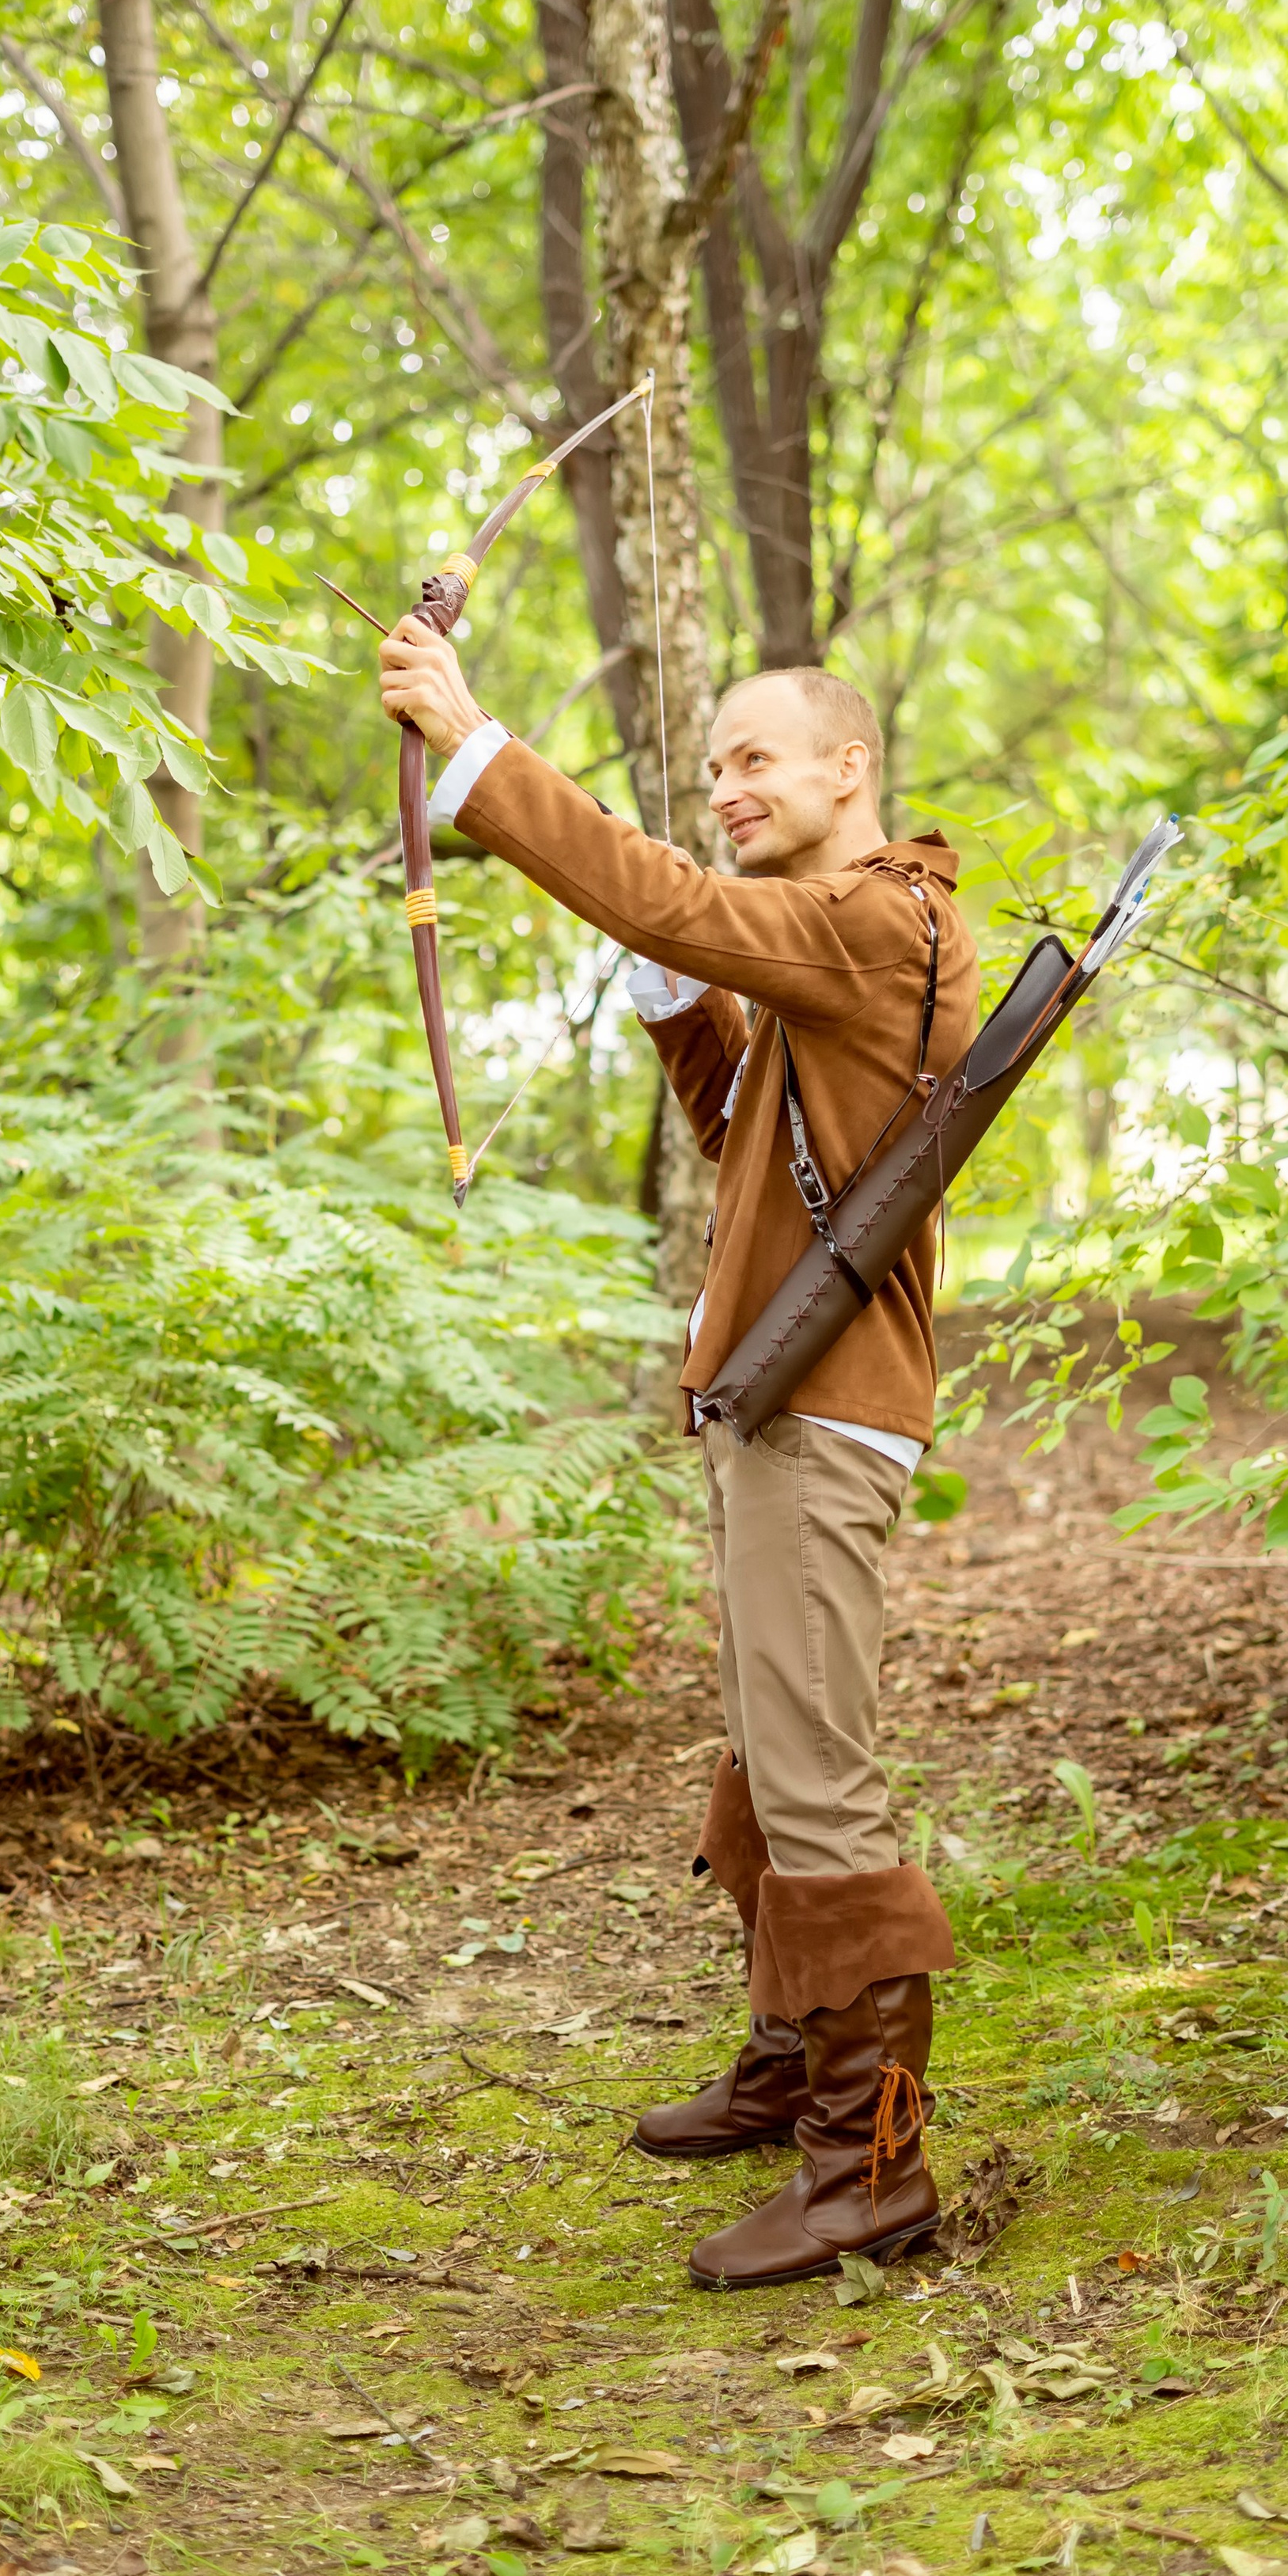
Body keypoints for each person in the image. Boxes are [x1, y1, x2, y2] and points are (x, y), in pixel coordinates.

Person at [378, 620, 979, 2287]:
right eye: (713, 767)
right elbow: (747, 1138)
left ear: (849, 767)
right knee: (769, 1756)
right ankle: (794, 2057)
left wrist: (474, 744)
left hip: (823, 1406)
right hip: (781, 1401)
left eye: (755, 758)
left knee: (817, 1775)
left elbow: (675, 903)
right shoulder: (844, 940)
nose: (726, 787)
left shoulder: (882, 918)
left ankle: (869, 2166)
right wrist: (672, 1004)